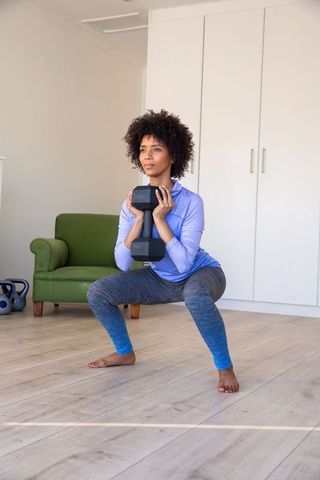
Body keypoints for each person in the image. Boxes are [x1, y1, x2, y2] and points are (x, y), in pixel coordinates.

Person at [87, 110, 239, 393]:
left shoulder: (192, 202)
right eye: (143, 149)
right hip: (160, 279)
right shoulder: (131, 202)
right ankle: (124, 352)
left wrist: (159, 218)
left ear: (173, 156)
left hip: (202, 273)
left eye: (156, 149)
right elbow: (122, 263)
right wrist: (138, 220)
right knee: (98, 291)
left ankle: (224, 366)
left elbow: (183, 264)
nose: (148, 156)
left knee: (194, 296)